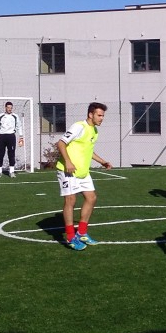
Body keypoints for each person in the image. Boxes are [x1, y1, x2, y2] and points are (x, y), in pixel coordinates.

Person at [56, 102, 112, 251]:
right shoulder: (79, 127)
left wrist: (102, 162)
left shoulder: (94, 131)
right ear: (90, 114)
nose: (101, 118)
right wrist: (68, 161)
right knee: (70, 200)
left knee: (91, 198)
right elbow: (61, 143)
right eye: (99, 115)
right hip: (68, 171)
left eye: (103, 116)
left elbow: (89, 150)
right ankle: (70, 237)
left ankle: (81, 233)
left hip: (83, 172)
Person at [0, 101, 24, 178]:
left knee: (11, 154)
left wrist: (21, 137)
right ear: (5, 108)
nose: (9, 109)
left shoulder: (15, 116)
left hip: (11, 136)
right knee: (0, 154)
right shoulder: (0, 116)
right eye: (8, 107)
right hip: (1, 136)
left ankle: (11, 172)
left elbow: (19, 126)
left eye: (11, 108)